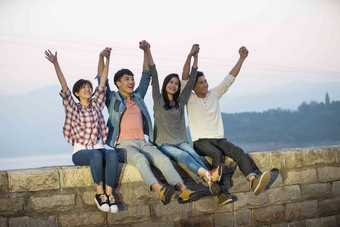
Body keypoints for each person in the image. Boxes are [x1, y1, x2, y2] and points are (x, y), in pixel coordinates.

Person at [96, 41, 200, 205]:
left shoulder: (138, 96)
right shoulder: (112, 98)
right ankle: (160, 190)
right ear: (118, 83)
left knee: (164, 160)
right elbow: (101, 82)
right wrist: (102, 57)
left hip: (143, 142)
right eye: (127, 79)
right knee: (140, 160)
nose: (131, 82)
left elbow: (146, 74)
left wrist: (146, 50)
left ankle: (183, 190)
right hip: (124, 145)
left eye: (132, 79)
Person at [182, 46, 270, 205]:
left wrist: (242, 58)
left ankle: (253, 181)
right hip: (200, 142)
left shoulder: (214, 94)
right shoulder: (189, 98)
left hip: (219, 139)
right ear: (193, 87)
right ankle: (220, 192)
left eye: (206, 81)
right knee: (217, 155)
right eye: (201, 83)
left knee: (238, 151)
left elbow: (230, 78)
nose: (205, 84)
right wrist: (191, 56)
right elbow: (184, 78)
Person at [45, 48, 119, 213]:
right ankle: (99, 194)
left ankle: (109, 194)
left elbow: (102, 82)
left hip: (99, 148)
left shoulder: (97, 105)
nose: (87, 89)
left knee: (112, 153)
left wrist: (107, 60)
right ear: (77, 93)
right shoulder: (73, 108)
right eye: (83, 88)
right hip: (82, 152)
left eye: (88, 87)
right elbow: (64, 87)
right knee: (96, 154)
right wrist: (56, 63)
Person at [148, 44, 222, 196]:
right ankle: (209, 177)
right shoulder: (158, 99)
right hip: (164, 143)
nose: (174, 85)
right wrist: (148, 50)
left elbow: (192, 78)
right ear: (165, 84)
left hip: (181, 141)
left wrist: (194, 56)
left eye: (176, 83)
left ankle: (209, 180)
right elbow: (153, 74)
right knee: (183, 156)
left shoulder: (181, 102)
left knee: (193, 155)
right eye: (171, 82)